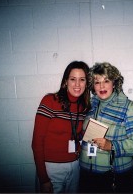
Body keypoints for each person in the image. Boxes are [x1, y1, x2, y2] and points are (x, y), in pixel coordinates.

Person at [79, 62, 133, 193]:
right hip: (87, 176)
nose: (101, 86)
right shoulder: (90, 107)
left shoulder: (130, 108)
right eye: (97, 82)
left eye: (106, 81)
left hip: (114, 178)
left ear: (114, 83)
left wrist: (112, 146)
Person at [32, 61, 91, 193]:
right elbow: (37, 142)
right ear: (66, 81)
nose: (77, 84)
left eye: (82, 80)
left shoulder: (84, 107)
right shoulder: (50, 101)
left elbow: (79, 136)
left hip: (75, 166)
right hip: (52, 169)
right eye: (73, 79)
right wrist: (43, 178)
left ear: (86, 83)